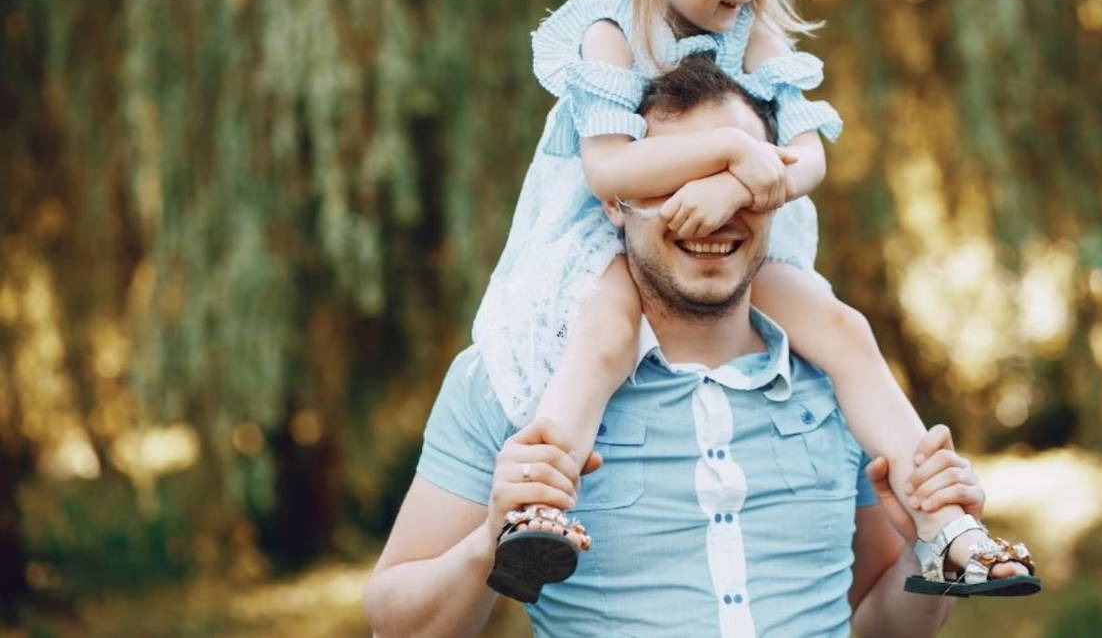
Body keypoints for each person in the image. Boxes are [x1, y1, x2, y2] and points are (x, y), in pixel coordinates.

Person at [464, 0, 1038, 603]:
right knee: (600, 338)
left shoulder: (753, 35)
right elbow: (610, 169)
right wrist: (734, 151)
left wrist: (739, 186)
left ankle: (945, 525)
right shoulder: (609, 31)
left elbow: (810, 157)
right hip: (613, 241)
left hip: (731, 241)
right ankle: (538, 507)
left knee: (843, 328)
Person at [364, 61, 992, 636]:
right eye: (676, 182)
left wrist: (923, 553)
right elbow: (395, 628)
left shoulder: (842, 384)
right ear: (614, 200)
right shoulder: (514, 377)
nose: (712, 212)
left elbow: (880, 629)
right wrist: (489, 540)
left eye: (738, 181)